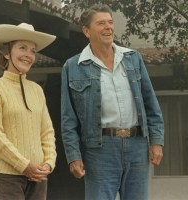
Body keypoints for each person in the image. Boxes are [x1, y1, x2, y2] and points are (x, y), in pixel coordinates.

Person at [61, 4, 164, 200]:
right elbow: (68, 119)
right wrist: (73, 156)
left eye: (110, 22)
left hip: (137, 146)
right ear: (86, 31)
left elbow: (151, 104)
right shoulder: (73, 67)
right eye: (101, 23)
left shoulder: (133, 59)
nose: (108, 27)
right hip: (99, 150)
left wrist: (157, 141)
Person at [0, 23, 57, 200]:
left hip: (38, 177)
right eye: (22, 48)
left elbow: (47, 132)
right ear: (7, 52)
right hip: (6, 177)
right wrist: (24, 165)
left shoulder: (37, 90)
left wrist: (48, 163)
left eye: (32, 50)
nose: (28, 55)